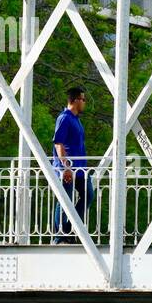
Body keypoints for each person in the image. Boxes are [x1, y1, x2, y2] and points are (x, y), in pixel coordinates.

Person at [52, 86, 91, 243]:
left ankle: (70, 229)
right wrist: (66, 167)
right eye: (83, 99)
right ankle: (60, 236)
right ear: (75, 100)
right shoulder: (64, 118)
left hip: (80, 169)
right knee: (64, 201)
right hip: (66, 169)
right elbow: (58, 143)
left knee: (88, 195)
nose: (84, 102)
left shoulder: (76, 120)